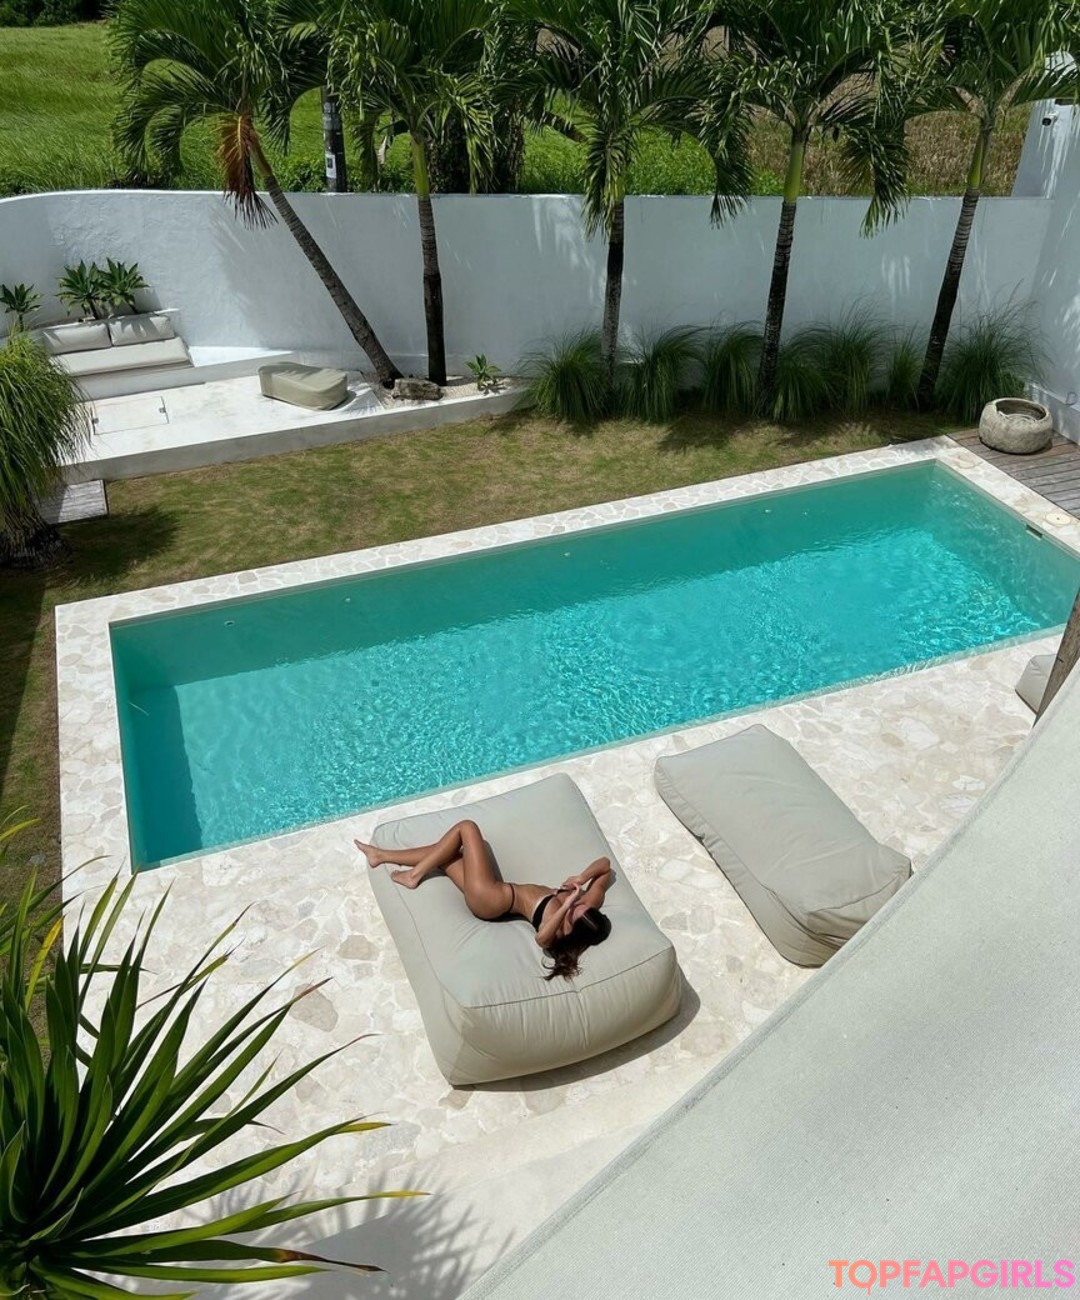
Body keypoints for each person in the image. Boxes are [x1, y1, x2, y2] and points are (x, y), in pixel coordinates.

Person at [355, 819, 613, 980]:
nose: (576, 907)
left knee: (467, 828)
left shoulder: (560, 930)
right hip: (493, 893)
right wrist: (582, 877)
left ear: (574, 927)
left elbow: (540, 939)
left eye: (575, 914)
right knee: (448, 856)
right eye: (580, 907)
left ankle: (414, 875)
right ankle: (381, 855)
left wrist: (565, 905)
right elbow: (605, 866)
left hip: (490, 898)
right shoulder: (587, 904)